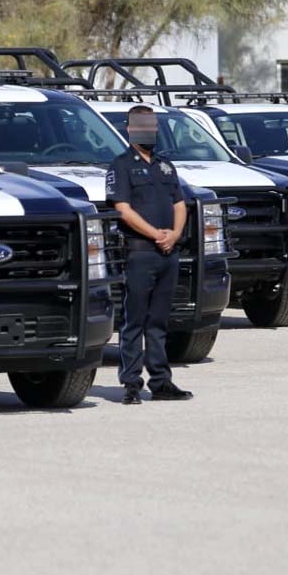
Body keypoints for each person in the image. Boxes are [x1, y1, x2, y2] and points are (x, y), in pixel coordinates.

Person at [106, 105, 193, 405]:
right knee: (134, 321)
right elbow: (123, 210)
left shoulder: (166, 166)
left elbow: (180, 204)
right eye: (142, 125)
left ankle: (161, 381)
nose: (149, 131)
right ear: (130, 129)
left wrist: (176, 234)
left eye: (152, 125)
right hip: (140, 253)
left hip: (168, 253)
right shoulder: (120, 165)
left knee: (159, 322)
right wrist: (156, 234)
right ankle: (131, 384)